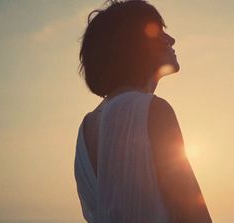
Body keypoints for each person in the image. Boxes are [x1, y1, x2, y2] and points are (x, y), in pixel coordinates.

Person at [74, 1, 212, 222]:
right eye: (159, 33)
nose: (171, 40)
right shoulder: (153, 110)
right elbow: (193, 213)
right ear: (136, 44)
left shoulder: (86, 128)